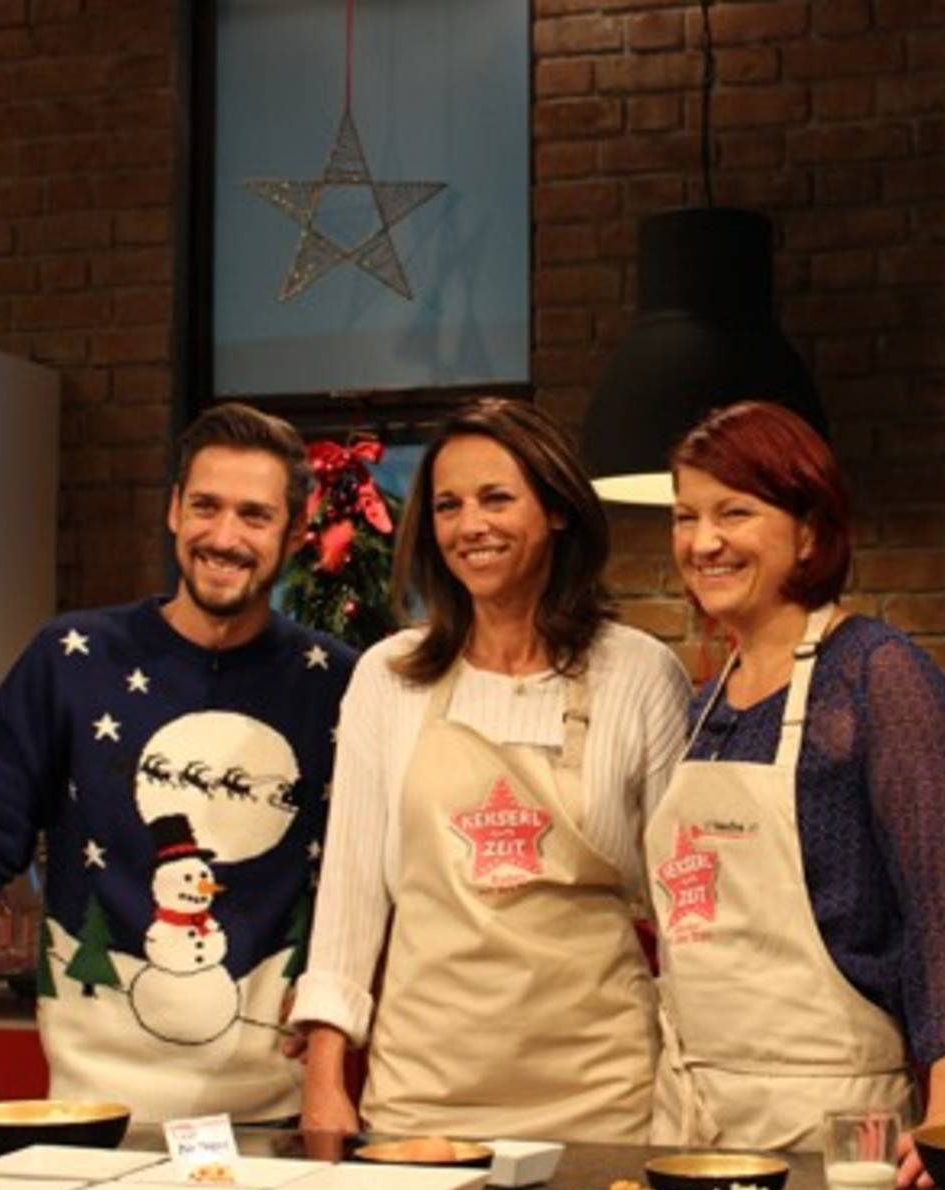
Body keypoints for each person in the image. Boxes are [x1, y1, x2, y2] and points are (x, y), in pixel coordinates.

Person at [0, 403, 355, 1123]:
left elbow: (372, 882)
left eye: (254, 515)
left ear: (296, 533)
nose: (224, 537)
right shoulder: (71, 660)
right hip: (86, 1114)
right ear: (172, 511)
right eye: (205, 506)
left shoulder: (335, 684)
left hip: (270, 1119)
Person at [292, 397, 690, 1142]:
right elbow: (349, 896)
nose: (469, 524)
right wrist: (324, 1079)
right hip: (423, 1099)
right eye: (448, 505)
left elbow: (687, 913)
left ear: (559, 510)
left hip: (604, 1101)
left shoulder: (640, 673)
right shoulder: (388, 676)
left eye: (496, 498)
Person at [650, 400, 945, 1185]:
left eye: (734, 512)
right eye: (685, 516)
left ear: (809, 530)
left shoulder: (878, 677)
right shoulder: (706, 700)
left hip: (834, 1121)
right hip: (690, 1113)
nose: (703, 541)